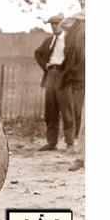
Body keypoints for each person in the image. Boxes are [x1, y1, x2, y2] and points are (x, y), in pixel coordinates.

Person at [33, 13, 74, 151]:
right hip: (50, 75)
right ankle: (52, 142)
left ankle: (70, 142)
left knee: (66, 109)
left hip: (64, 75)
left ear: (62, 25)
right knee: (50, 110)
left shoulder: (69, 40)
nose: (54, 27)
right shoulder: (49, 41)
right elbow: (37, 53)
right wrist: (46, 65)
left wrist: (68, 71)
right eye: (52, 24)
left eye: (56, 24)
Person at [60, 0, 85, 171]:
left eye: (86, 1)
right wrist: (81, 15)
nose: (83, 4)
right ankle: (82, 157)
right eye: (81, 1)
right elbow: (64, 24)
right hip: (82, 73)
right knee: (84, 117)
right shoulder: (78, 22)